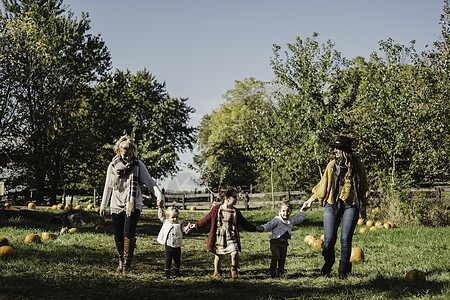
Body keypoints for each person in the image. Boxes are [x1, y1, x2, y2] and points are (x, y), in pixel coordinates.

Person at [303, 135, 369, 279]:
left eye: (337, 148)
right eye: (334, 148)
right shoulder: (332, 165)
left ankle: (343, 272)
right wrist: (311, 200)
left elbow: (363, 186)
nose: (335, 151)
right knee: (328, 239)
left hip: (350, 205)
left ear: (345, 150)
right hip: (332, 203)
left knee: (345, 239)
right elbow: (323, 184)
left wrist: (363, 207)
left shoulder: (358, 165)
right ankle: (329, 262)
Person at [100, 135, 164, 273]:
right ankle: (121, 260)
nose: (128, 157)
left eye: (130, 154)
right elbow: (108, 186)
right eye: (125, 155)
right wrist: (103, 205)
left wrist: (159, 195)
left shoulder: (138, 165)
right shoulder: (112, 166)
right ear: (118, 152)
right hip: (116, 204)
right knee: (118, 235)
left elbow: (150, 182)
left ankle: (126, 265)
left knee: (128, 233)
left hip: (133, 204)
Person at [189, 186, 256, 279]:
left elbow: (244, 223)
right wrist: (196, 225)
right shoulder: (216, 209)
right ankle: (217, 272)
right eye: (234, 197)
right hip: (219, 237)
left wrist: (255, 228)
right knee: (218, 256)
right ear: (227, 198)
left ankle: (234, 270)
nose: (236, 199)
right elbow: (206, 219)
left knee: (235, 252)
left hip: (231, 237)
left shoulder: (236, 211)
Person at [256, 200, 309, 278]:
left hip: (284, 243)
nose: (285, 213)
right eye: (283, 211)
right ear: (279, 211)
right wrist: (262, 228)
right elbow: (269, 225)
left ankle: (280, 273)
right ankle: (272, 272)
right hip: (275, 242)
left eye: (288, 211)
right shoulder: (277, 220)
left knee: (282, 258)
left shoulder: (291, 220)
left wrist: (302, 210)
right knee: (276, 256)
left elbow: (299, 219)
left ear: (290, 212)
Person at [157, 203, 191, 278]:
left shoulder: (179, 224)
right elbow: (160, 216)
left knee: (177, 260)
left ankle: (176, 272)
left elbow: (185, 230)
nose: (175, 219)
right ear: (168, 218)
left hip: (177, 246)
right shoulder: (166, 222)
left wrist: (188, 227)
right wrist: (160, 208)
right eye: (173, 217)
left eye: (177, 217)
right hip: (168, 246)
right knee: (168, 260)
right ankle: (167, 273)